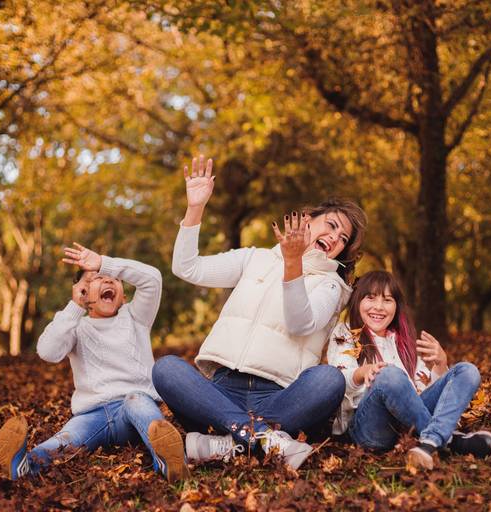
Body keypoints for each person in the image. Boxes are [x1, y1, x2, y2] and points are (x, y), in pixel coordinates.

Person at [152, 155, 367, 470]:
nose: (335, 237)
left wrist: (293, 265)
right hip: (220, 391)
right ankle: (264, 439)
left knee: (329, 380)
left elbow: (300, 323)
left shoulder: (331, 286)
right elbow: (187, 268)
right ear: (308, 219)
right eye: (332, 226)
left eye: (343, 238)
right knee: (166, 369)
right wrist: (195, 208)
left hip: (280, 397)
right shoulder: (254, 258)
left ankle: (225, 443)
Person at [0, 244, 189, 482]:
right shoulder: (76, 326)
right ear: (84, 293)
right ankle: (25, 465)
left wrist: (105, 263)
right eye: (96, 278)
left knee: (137, 402)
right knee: (65, 439)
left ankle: (169, 462)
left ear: (123, 295)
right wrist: (75, 307)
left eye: (113, 278)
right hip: (91, 415)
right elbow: (47, 352)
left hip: (133, 411)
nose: (107, 279)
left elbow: (152, 279)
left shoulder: (136, 316)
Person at [327, 270, 491, 470]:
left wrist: (440, 364)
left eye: (387, 300)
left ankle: (430, 441)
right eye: (370, 298)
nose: (379, 307)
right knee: (389, 374)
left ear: (397, 306)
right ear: (357, 301)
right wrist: (363, 372)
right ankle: (450, 441)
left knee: (467, 371)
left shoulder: (402, 342)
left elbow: (419, 397)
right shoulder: (345, 333)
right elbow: (339, 380)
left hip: (407, 427)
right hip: (370, 428)